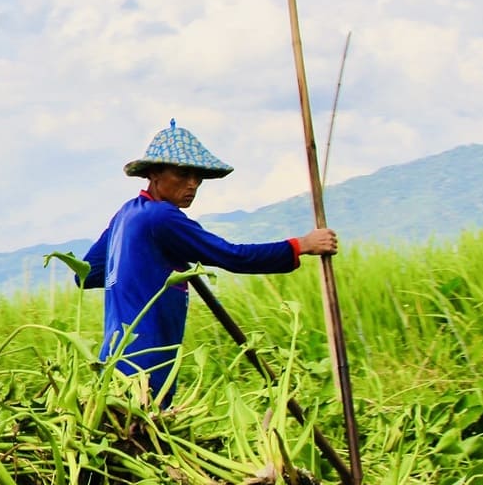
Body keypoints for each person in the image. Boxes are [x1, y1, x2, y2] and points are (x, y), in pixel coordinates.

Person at [79, 120, 338, 403]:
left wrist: (145, 261)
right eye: (183, 174)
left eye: (198, 177)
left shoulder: (126, 215)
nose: (193, 184)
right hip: (145, 363)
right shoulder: (162, 217)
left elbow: (87, 274)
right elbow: (233, 256)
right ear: (154, 173)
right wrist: (301, 246)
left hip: (113, 360)